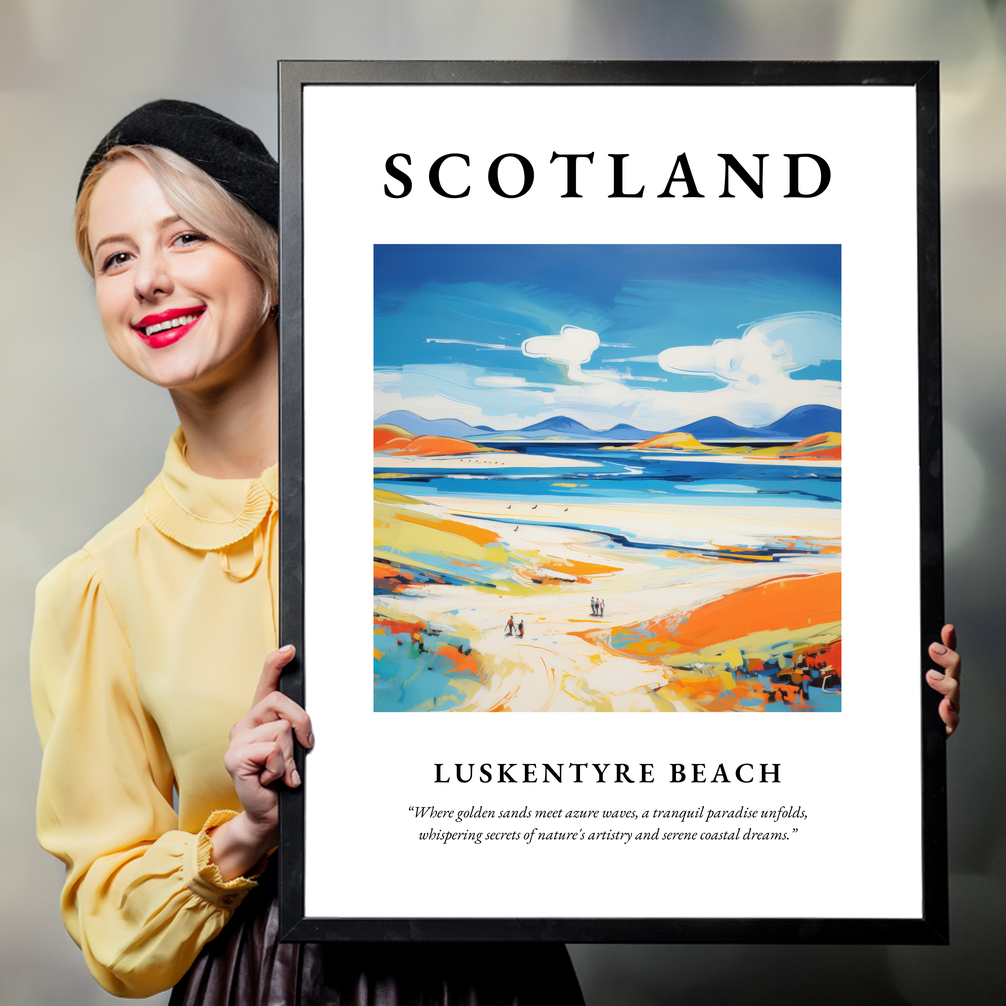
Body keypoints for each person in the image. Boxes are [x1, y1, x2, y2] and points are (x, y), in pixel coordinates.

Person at [30, 100, 585, 1004]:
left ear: (273, 264)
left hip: (493, 973)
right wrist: (245, 832)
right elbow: (110, 924)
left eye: (186, 239)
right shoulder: (97, 587)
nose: (148, 281)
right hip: (262, 982)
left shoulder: (453, 499)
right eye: (116, 257)